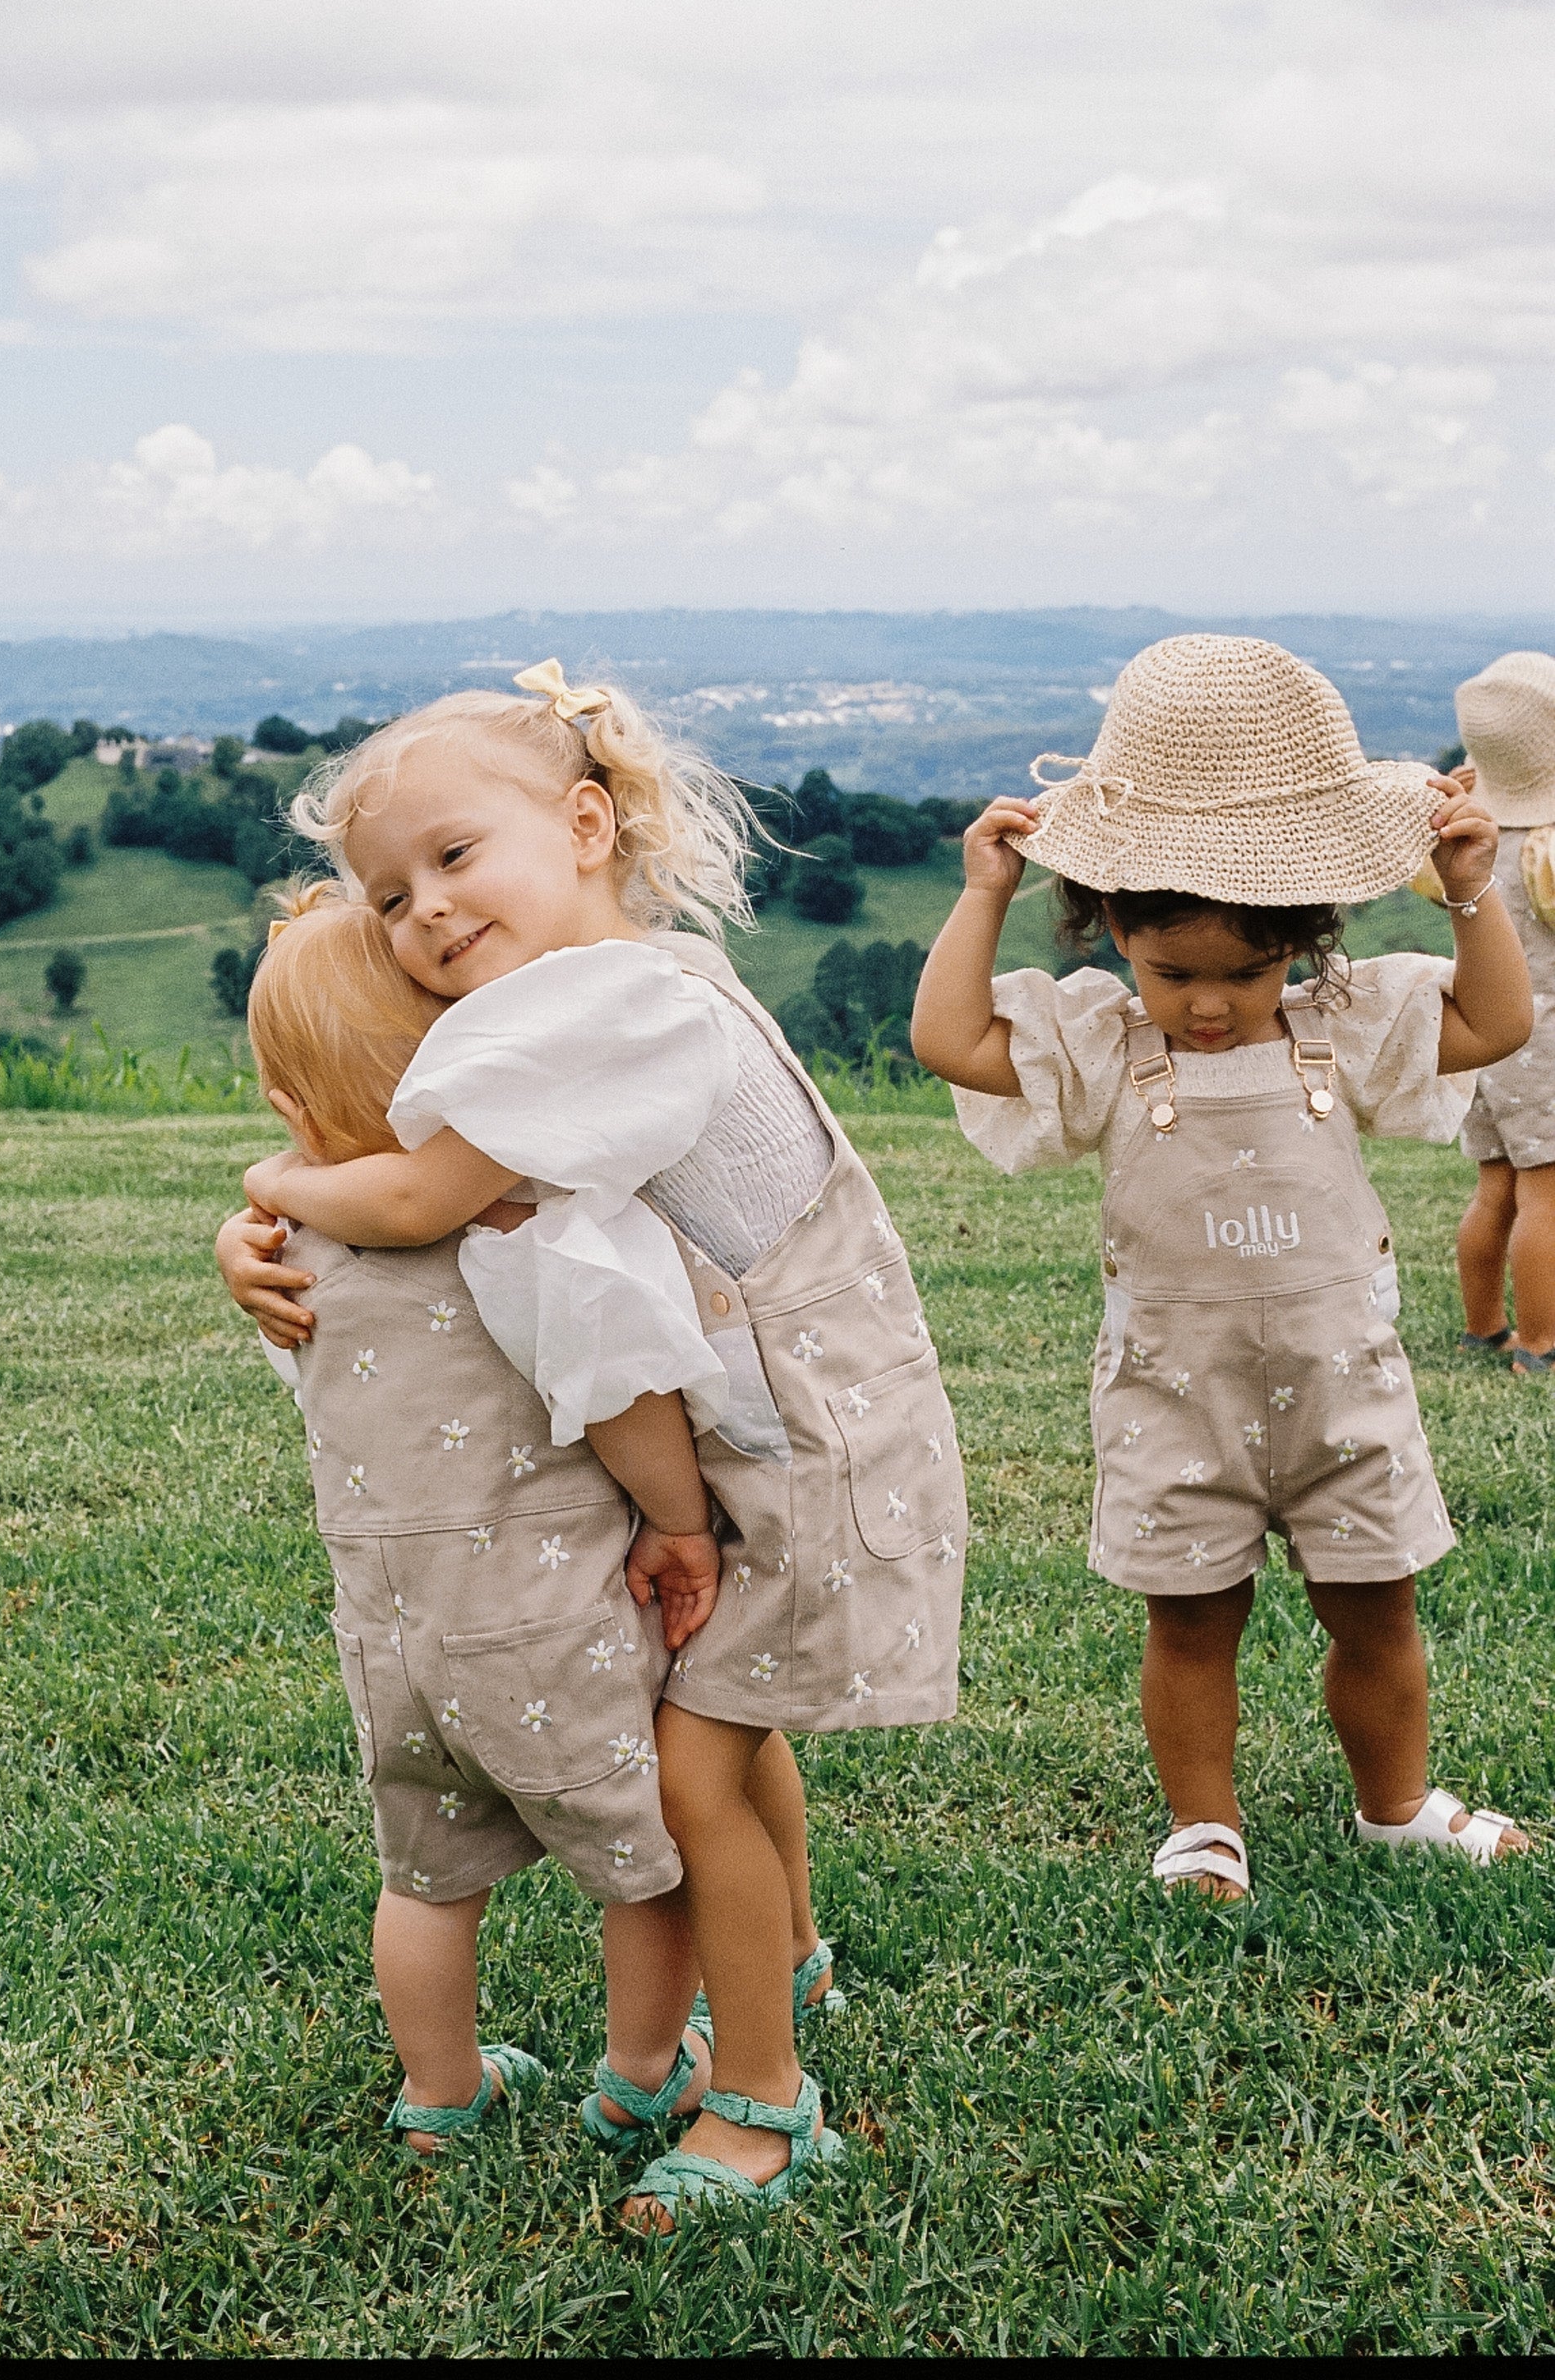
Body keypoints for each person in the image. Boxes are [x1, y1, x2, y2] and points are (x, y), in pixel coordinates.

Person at [216, 661, 967, 2227]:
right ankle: (795, 1969)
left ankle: (760, 2107)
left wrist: (272, 1186)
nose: (421, 911)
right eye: (387, 893)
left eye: (452, 858)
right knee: (728, 1727)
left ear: (582, 823)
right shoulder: (619, 987)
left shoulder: (616, 1006)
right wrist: (260, 1228)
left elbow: (420, 1199)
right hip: (781, 1419)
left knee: (694, 1770)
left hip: (798, 1442)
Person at [911, 634, 1532, 1904]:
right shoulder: (1099, 1043)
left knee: (1377, 1613)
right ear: (1113, 937)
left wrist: (1471, 894)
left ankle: (1396, 1806)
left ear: (1302, 941)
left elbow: (1494, 1024)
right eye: (1172, 974)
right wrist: (981, 894)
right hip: (1172, 1398)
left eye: (1246, 975)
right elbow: (950, 1039)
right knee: (1188, 1625)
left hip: (1341, 1393)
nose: (1207, 1007)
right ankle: (1203, 1825)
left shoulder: (1341, 1022)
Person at [238, 883, 726, 2156]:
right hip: (541, 1624)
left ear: (291, 1112)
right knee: (645, 1859)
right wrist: (679, 1520)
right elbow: (618, 1394)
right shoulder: (523, 1227)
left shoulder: (292, 1253)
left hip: (390, 1640)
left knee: (424, 1881)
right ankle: (641, 2076)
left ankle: (440, 2098)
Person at [1447, 654, 1555, 1377]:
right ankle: (1541, 1343)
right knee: (1545, 1191)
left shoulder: (1469, 839)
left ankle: (1483, 1327)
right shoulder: (1546, 848)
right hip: (1543, 1033)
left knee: (1494, 1187)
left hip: (1480, 1025)